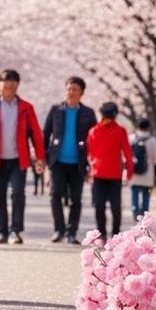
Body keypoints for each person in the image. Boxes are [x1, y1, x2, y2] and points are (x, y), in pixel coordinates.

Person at [0, 69, 46, 245]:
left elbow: (36, 133)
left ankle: (15, 231)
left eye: (13, 81)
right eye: (6, 81)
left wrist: (40, 157)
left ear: (18, 85)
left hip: (18, 159)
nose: (9, 85)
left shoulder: (26, 107)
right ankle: (2, 232)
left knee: (18, 194)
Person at [42, 76, 96, 243]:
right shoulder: (56, 110)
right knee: (55, 194)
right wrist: (44, 158)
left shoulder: (88, 113)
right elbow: (46, 134)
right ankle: (59, 230)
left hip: (78, 163)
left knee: (76, 199)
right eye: (68, 89)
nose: (70, 92)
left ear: (81, 93)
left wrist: (92, 163)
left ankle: (71, 232)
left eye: (74, 89)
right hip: (57, 161)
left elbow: (94, 138)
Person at [86, 102, 133, 240]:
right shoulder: (118, 131)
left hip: (105, 174)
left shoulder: (95, 131)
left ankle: (108, 234)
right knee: (110, 207)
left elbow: (90, 153)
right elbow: (128, 153)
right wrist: (129, 172)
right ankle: (110, 234)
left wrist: (92, 167)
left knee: (105, 207)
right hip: (107, 174)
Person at [128, 118, 156, 220]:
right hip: (148, 173)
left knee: (134, 193)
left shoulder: (131, 138)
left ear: (137, 127)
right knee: (146, 194)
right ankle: (144, 215)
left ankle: (135, 212)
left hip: (134, 172)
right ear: (148, 127)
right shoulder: (152, 140)